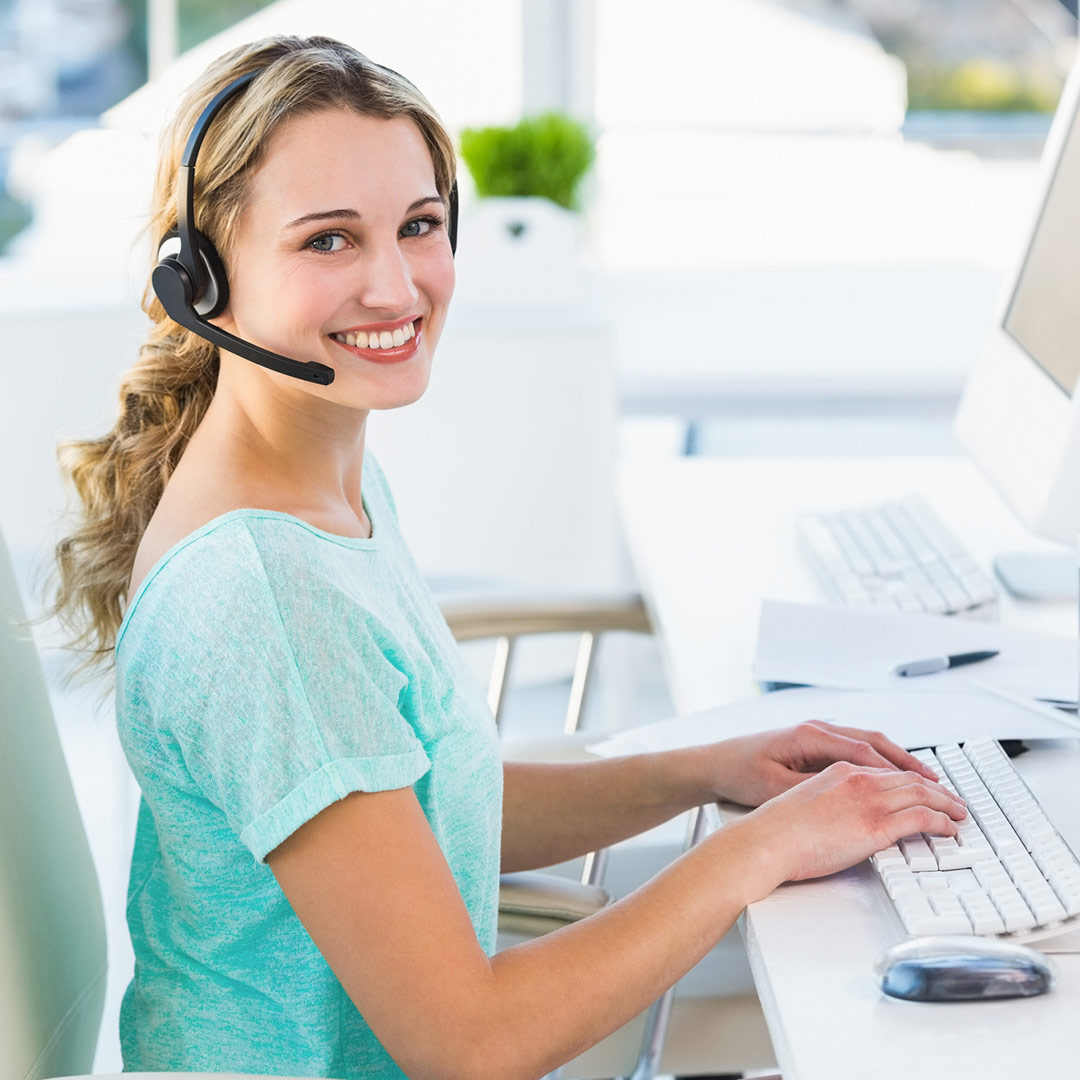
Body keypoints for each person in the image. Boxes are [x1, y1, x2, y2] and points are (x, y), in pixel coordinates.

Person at [50, 34, 966, 1080]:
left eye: (419, 226)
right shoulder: (267, 590)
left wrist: (707, 771)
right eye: (328, 242)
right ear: (202, 278)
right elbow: (469, 1044)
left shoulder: (319, 482)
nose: (396, 287)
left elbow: (424, 807)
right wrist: (758, 849)